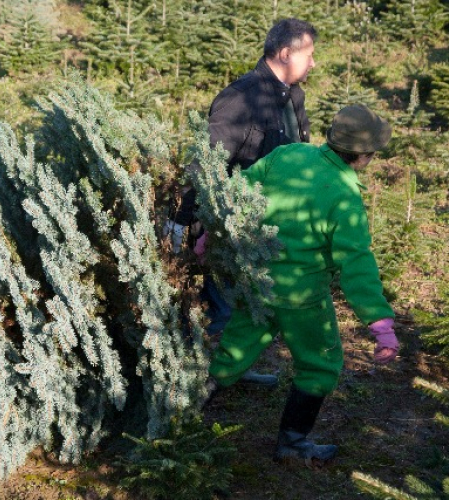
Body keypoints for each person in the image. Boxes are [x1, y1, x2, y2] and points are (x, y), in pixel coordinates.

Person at [204, 104, 400, 465]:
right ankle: (293, 444)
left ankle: (187, 407)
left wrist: (210, 232)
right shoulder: (344, 197)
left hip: (257, 281)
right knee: (319, 363)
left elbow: (239, 189)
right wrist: (380, 322)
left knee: (237, 342)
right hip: (302, 297)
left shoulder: (288, 153)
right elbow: (356, 262)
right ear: (365, 156)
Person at [166, 18, 318, 385]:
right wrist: (181, 222)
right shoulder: (241, 97)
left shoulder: (293, 96)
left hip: (273, 221)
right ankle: (198, 387)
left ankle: (232, 367)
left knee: (249, 304)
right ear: (285, 53)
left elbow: (299, 155)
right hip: (229, 226)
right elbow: (206, 163)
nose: (313, 64)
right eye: (309, 55)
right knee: (224, 305)